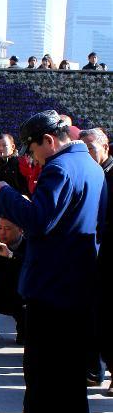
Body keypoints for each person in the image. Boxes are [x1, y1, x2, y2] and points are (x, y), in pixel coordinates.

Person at [0, 110, 106, 413]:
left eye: (33, 148)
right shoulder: (92, 166)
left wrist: (5, 194)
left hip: (52, 287)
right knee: (70, 375)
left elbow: (39, 221)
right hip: (78, 285)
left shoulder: (60, 169)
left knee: (42, 376)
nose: (32, 157)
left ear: (48, 141)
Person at [80, 128, 113, 393]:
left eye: (91, 148)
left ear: (105, 148)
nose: (88, 154)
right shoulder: (96, 174)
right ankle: (96, 369)